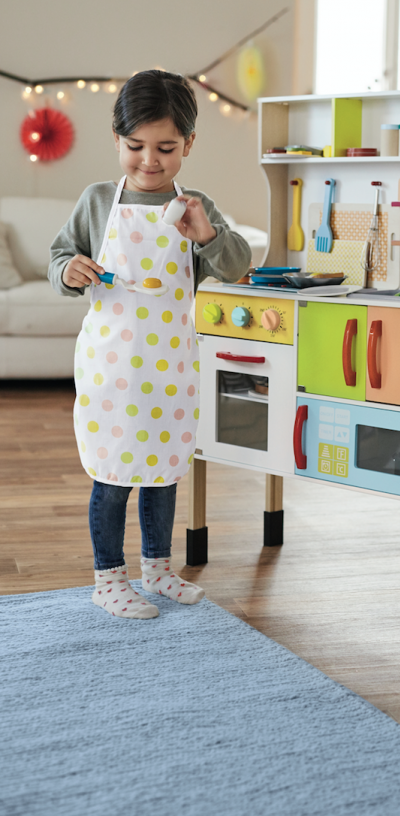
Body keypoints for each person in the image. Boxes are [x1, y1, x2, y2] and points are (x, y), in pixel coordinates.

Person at [49, 69, 251, 619]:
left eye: (165, 147)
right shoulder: (97, 202)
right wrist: (70, 271)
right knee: (113, 473)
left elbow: (237, 267)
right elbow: (58, 259)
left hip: (170, 364)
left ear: (188, 143)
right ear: (117, 139)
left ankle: (158, 569)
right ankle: (108, 578)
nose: (149, 160)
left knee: (163, 468)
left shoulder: (194, 206)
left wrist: (207, 235)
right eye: (135, 146)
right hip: (110, 366)